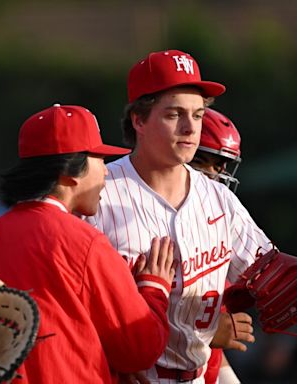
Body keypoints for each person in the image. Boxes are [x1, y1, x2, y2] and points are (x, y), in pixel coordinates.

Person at [86, 50, 270, 383]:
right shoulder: (99, 193)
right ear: (139, 120)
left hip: (199, 375)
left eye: (198, 115)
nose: (189, 128)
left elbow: (276, 280)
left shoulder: (220, 199)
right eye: (174, 114)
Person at [0, 104, 177, 383]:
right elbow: (139, 349)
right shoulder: (85, 241)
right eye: (98, 159)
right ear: (69, 171)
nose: (106, 172)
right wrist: (155, 288)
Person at [189, 108, 250, 384]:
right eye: (204, 163)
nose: (214, 177)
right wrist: (206, 333)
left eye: (220, 167)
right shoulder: (148, 223)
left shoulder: (219, 222)